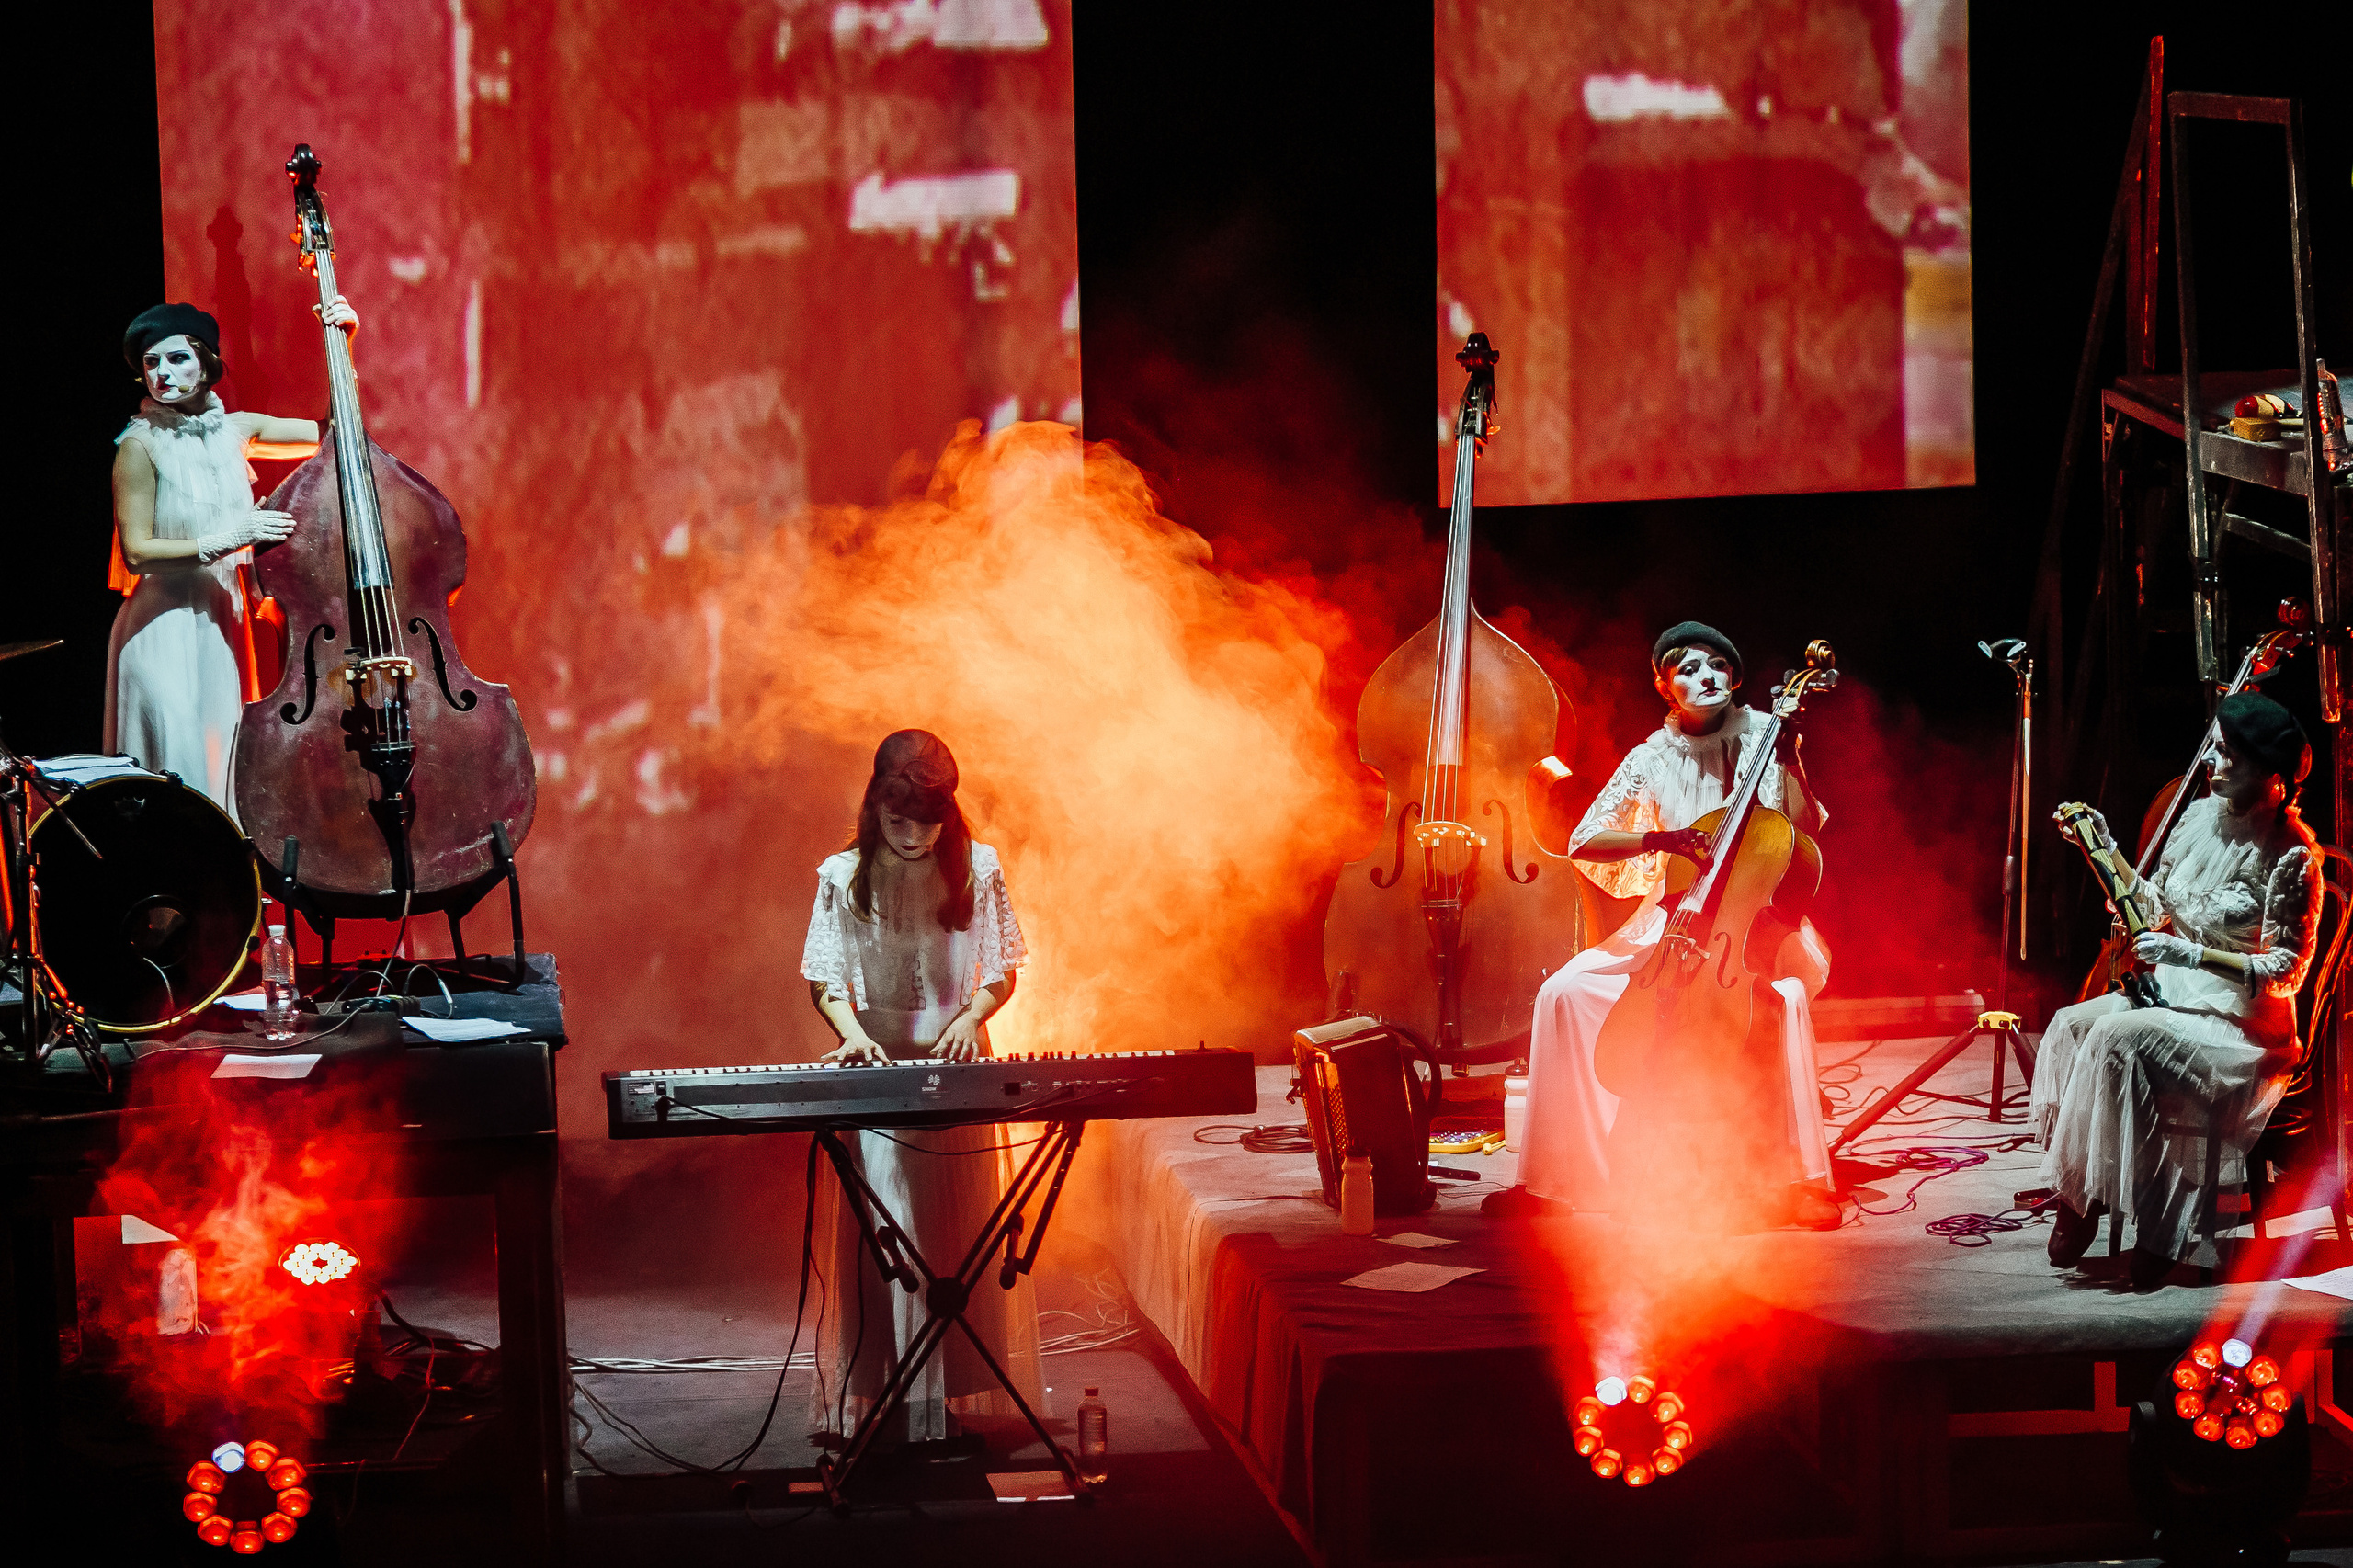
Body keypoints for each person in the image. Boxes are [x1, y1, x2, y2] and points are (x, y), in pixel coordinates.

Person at [1486, 621, 1840, 1229]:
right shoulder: (1650, 757)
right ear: (1663, 686)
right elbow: (1585, 841)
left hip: (1752, 924)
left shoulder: (1765, 734)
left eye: (1717, 666)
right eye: (1687, 669)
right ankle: (1554, 1177)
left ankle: (1798, 1178)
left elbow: (1805, 828)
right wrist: (1660, 838)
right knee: (1563, 994)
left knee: (1779, 999)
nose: (1706, 677)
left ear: (1733, 677)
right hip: (1672, 919)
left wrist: (1793, 759)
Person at [800, 729, 1046, 1442]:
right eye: (897, 822)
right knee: (890, 1227)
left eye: (927, 824)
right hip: (876, 1061)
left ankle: (951, 1395)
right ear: (875, 808)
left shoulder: (979, 868)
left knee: (955, 1227)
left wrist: (972, 1017)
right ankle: (888, 1390)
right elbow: (825, 976)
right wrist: (851, 1033)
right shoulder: (843, 876)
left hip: (956, 1056)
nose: (912, 837)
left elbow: (1000, 969)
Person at [2034, 692, 2323, 1290]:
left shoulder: (2292, 856)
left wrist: (2194, 954)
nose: (2213, 766)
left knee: (2119, 1040)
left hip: (2240, 1027)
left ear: (2271, 779)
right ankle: (2081, 1190)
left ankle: (2161, 1228)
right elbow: (2152, 906)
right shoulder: (2195, 819)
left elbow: (2287, 971)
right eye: (2215, 750)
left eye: (2230, 758)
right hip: (2178, 996)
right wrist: (2100, 848)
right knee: (2071, 1025)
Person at [107, 298, 355, 815]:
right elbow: (136, 553)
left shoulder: (238, 430)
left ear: (206, 362)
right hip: (161, 629)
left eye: (176, 359)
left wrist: (343, 341)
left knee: (223, 769)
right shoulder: (140, 446)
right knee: (177, 771)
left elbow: (337, 433)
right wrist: (232, 534)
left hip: (221, 626)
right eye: (151, 363)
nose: (161, 373)